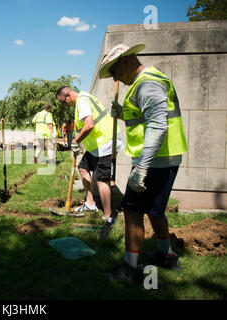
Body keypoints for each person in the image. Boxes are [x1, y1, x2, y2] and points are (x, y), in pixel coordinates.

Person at [99, 43, 188, 282]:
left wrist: (141, 169)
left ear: (127, 61)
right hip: (164, 157)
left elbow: (158, 126)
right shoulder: (146, 82)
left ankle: (129, 268)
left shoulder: (147, 83)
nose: (115, 78)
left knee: (133, 211)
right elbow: (144, 117)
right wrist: (122, 112)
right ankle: (166, 256)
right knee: (155, 210)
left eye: (115, 72)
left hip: (155, 160)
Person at [56, 87, 123, 220]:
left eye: (64, 102)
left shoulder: (82, 102)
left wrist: (76, 141)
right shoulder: (83, 99)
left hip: (105, 143)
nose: (65, 105)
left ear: (68, 95)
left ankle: (108, 216)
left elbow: (89, 125)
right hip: (96, 146)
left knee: (101, 180)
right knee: (82, 167)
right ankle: (90, 203)